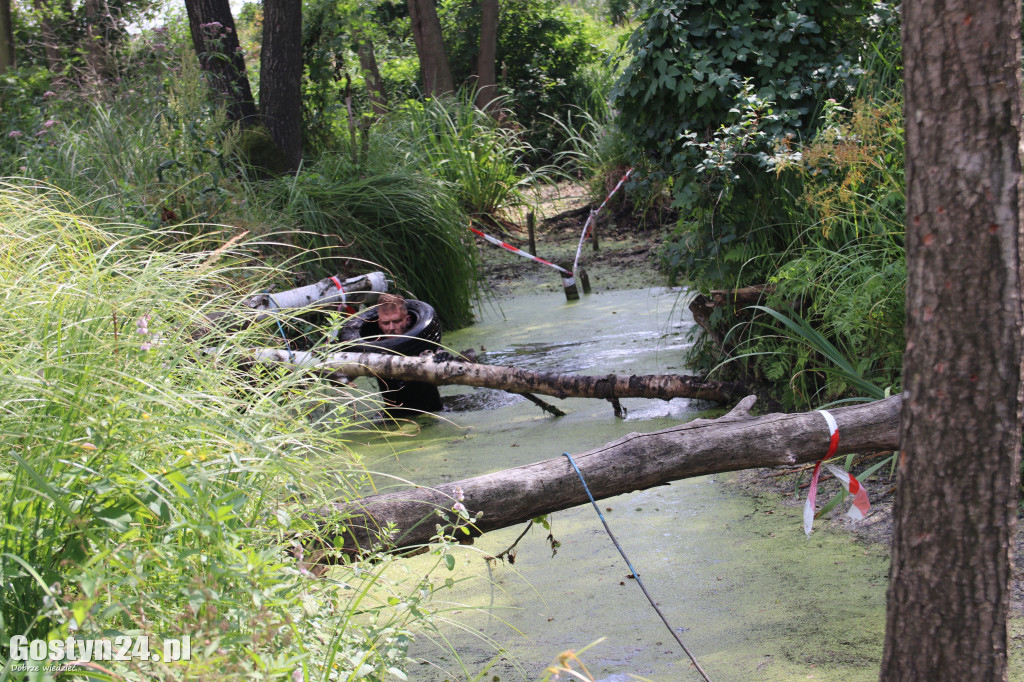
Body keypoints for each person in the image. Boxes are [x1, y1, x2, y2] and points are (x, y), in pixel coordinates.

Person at [372, 294, 443, 417]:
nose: (391, 328)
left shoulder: (422, 341)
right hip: (395, 418)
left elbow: (439, 351)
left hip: (431, 411)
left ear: (407, 319)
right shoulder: (372, 348)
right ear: (379, 323)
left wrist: (442, 356)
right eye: (386, 323)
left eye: (397, 321)